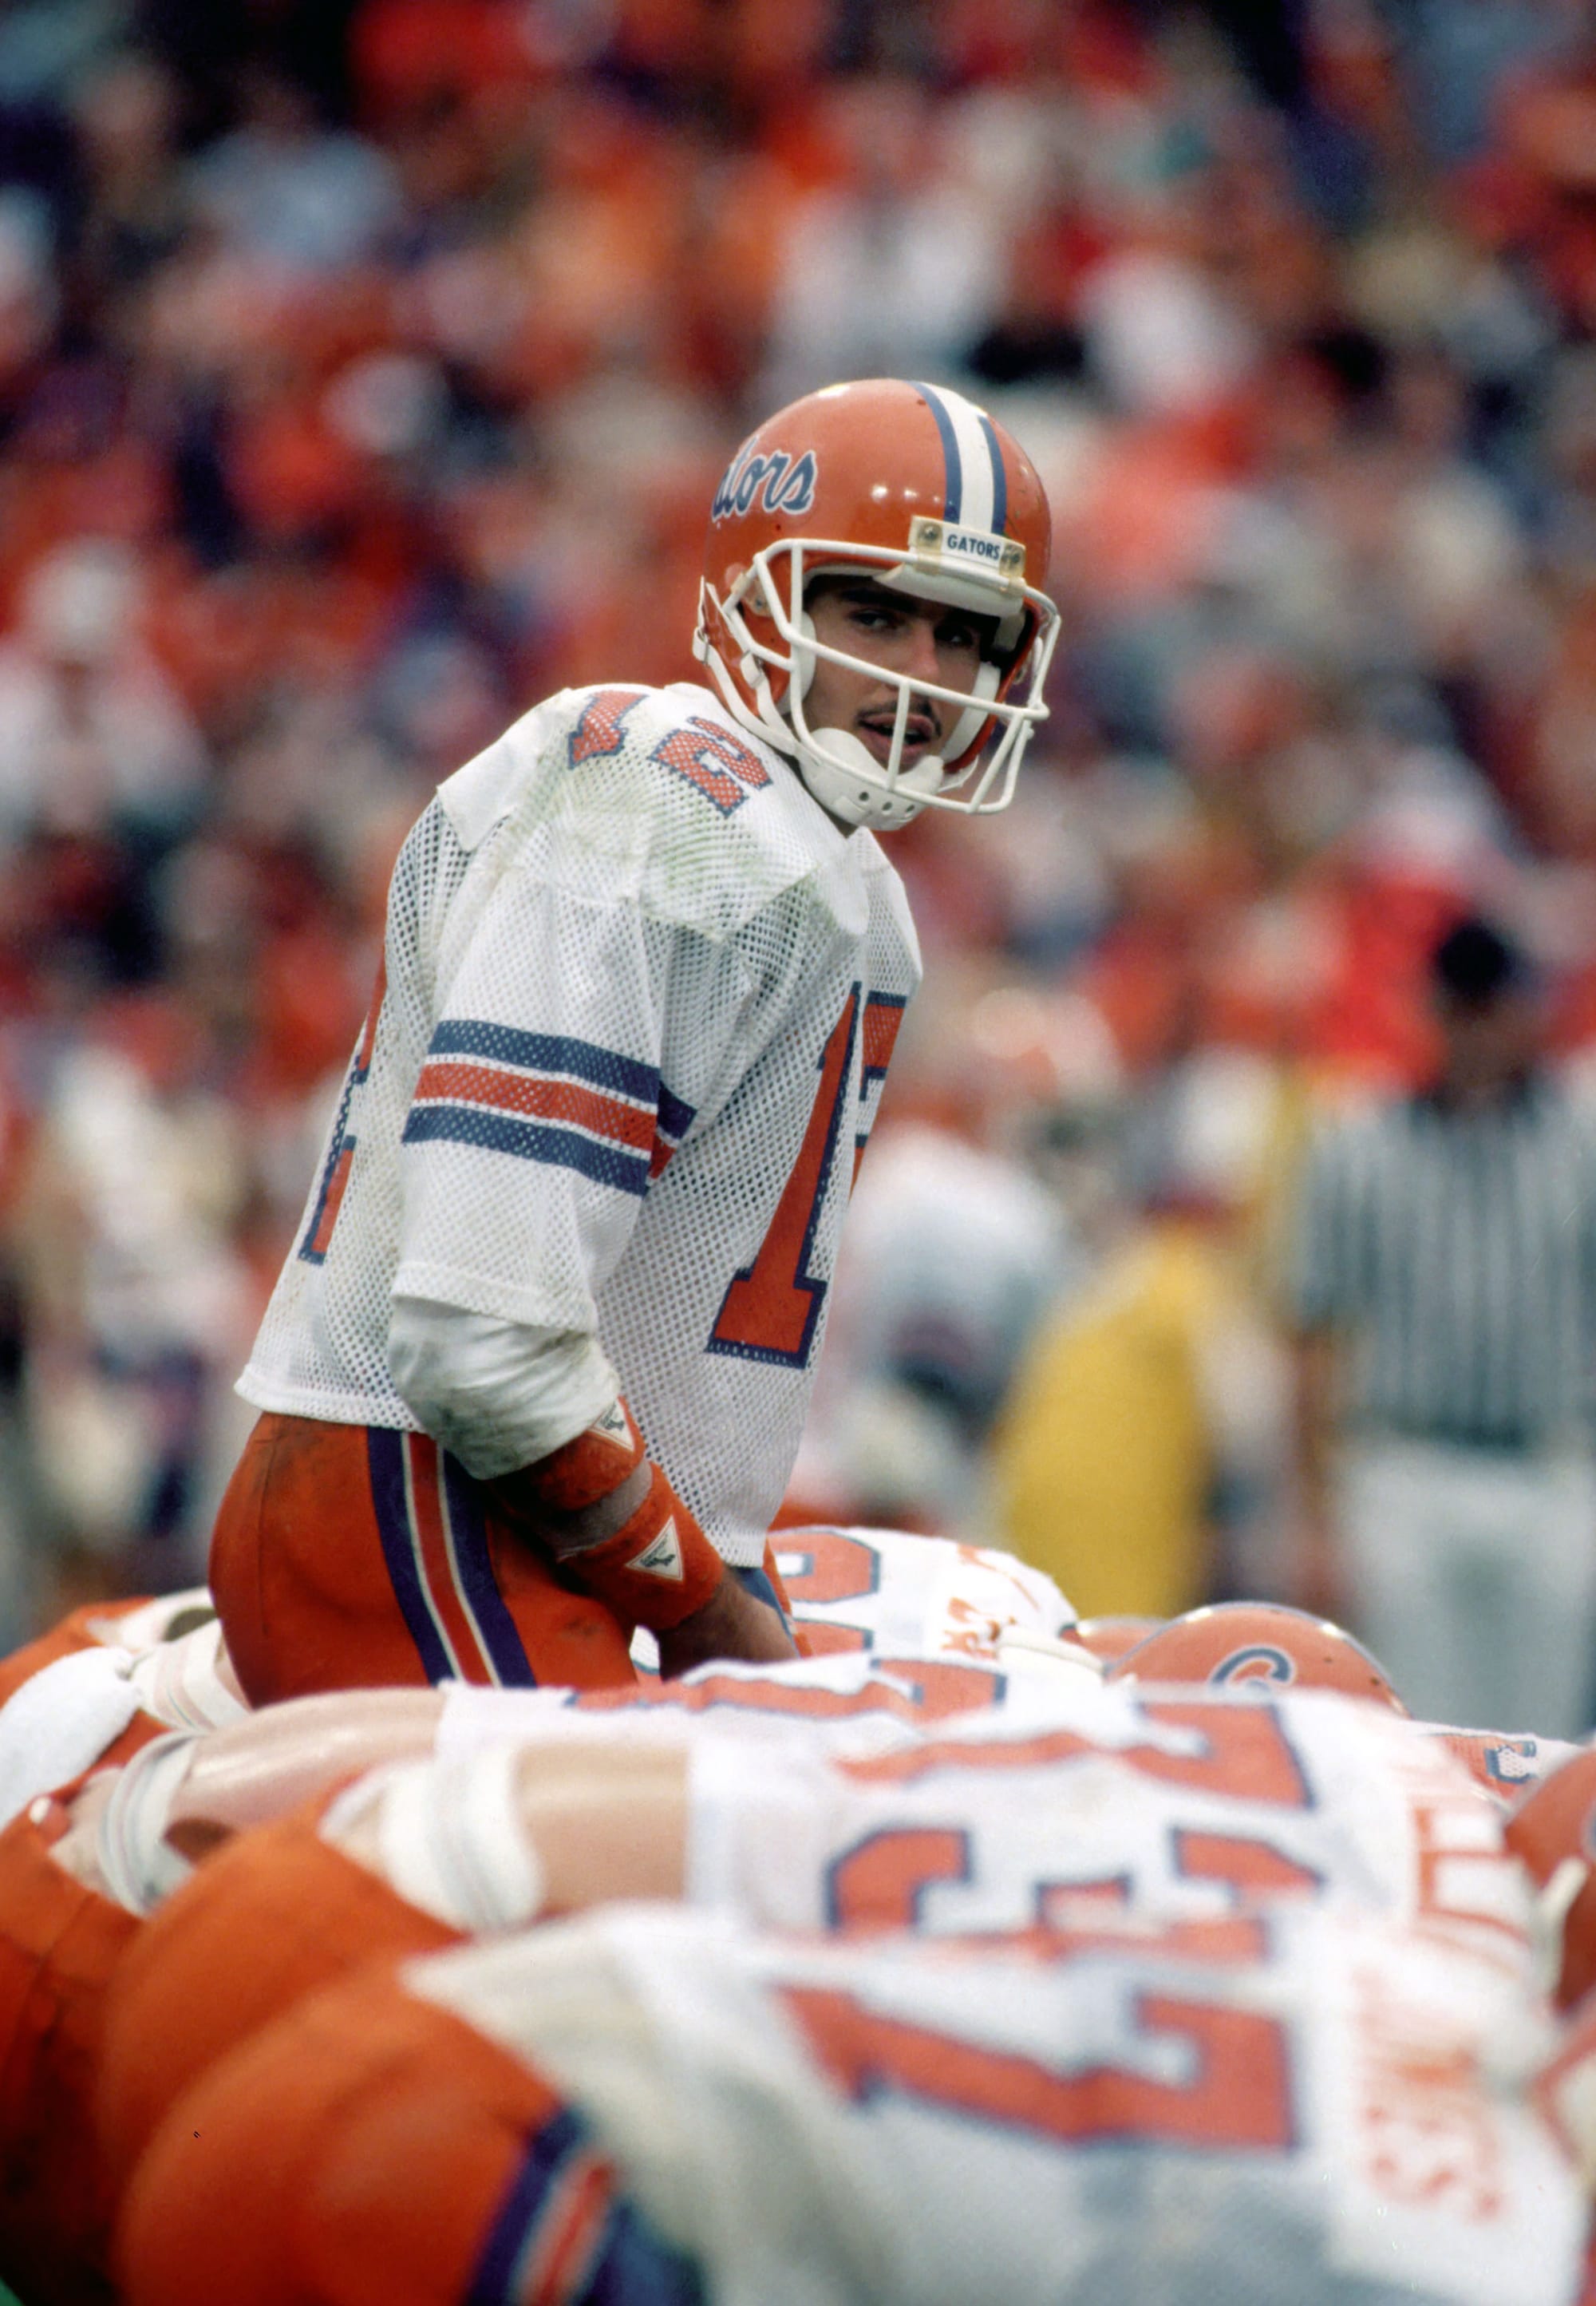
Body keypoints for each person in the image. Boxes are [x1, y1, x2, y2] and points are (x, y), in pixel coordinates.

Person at [207, 378, 1060, 1702]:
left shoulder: (852, 885)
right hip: (428, 1504)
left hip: (562, 1524)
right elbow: (479, 1330)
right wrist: (708, 1609)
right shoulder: (653, 808)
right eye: (876, 613)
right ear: (755, 597)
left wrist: (713, 1578)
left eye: (964, 633)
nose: (924, 677)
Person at [1286, 913, 1596, 1735]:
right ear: (1429, 1011)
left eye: (1489, 1008)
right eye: (1459, 1009)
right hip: (1403, 1466)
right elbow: (1314, 1330)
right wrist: (1312, 1514)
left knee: (1544, 1741)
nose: (1476, 1031)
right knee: (1417, 1732)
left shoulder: (1580, 1140)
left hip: (1549, 1463)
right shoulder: (1360, 1141)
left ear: (1526, 1010)